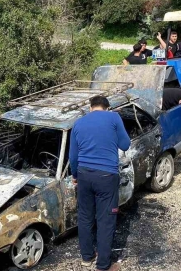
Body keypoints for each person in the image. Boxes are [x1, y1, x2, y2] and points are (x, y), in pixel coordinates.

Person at [69, 95, 130, 271]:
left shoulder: (78, 123)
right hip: (107, 176)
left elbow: (73, 156)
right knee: (106, 220)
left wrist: (75, 175)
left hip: (84, 176)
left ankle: (86, 258)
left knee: (85, 217)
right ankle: (103, 265)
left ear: (91, 107)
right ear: (107, 107)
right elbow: (125, 144)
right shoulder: (113, 117)